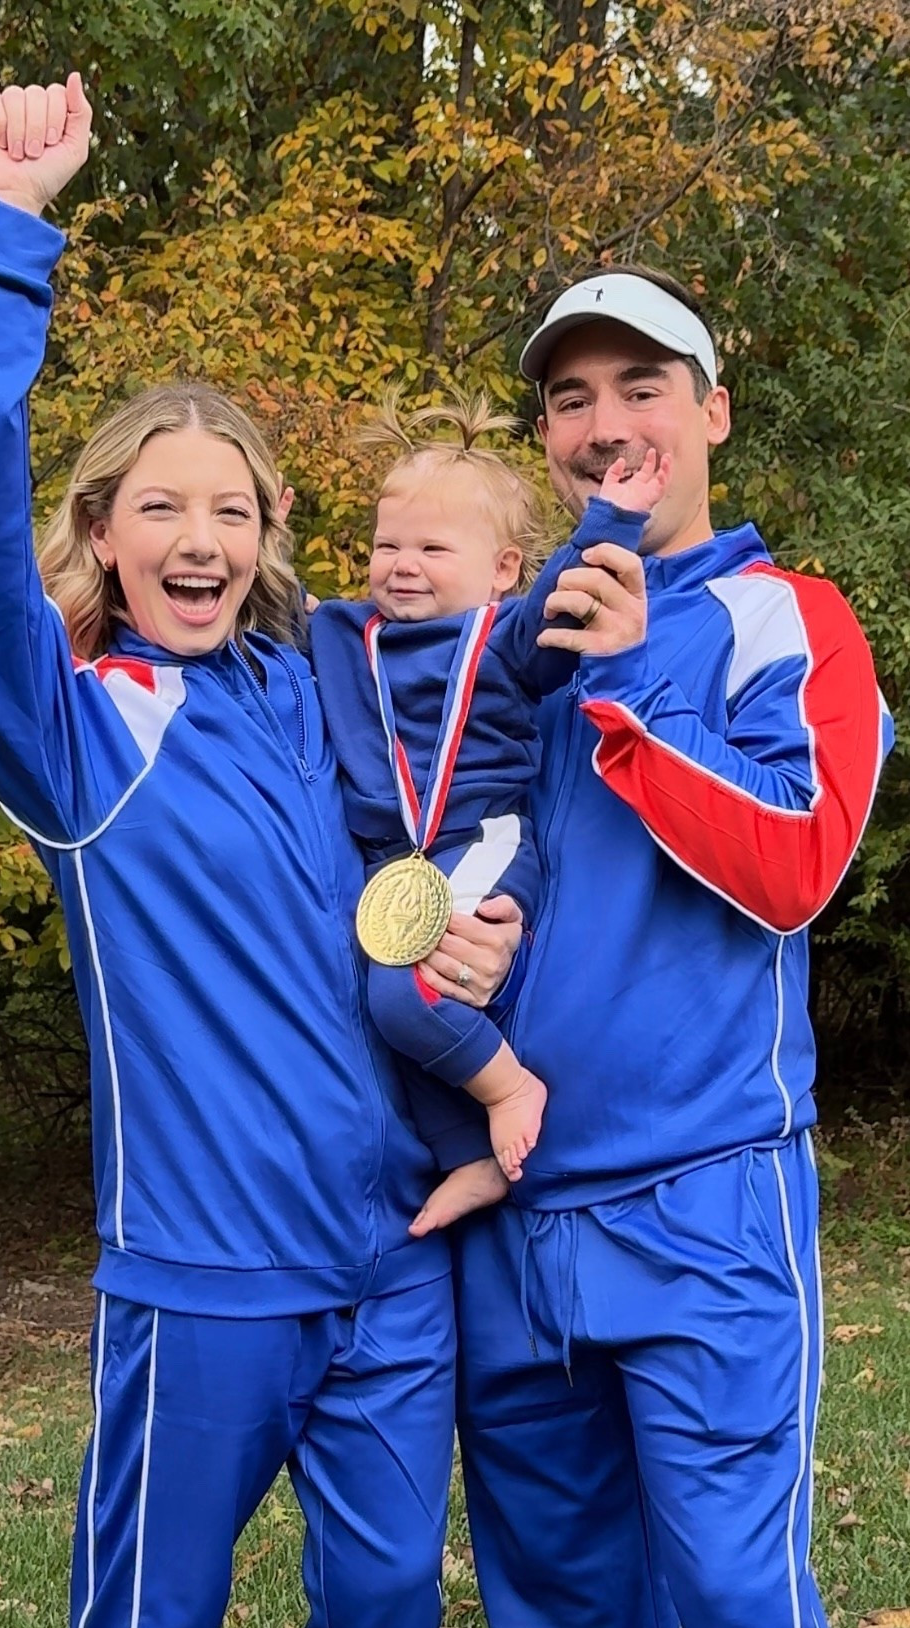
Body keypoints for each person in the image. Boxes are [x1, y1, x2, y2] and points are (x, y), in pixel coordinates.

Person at [0, 74, 514, 1628]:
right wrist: (7, 230)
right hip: (202, 1280)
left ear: (266, 545)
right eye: (161, 506)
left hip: (386, 1256)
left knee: (392, 1594)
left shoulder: (318, 699)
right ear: (106, 532)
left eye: (233, 509)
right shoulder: (82, 735)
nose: (200, 536)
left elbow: (463, 776)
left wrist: (484, 946)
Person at [453, 267, 894, 1628]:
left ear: (709, 411)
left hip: (705, 1198)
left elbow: (794, 861)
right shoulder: (511, 640)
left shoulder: (787, 618)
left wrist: (635, 676)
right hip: (515, 1212)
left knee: (729, 1591)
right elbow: (458, 856)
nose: (601, 421)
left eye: (639, 385)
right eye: (568, 396)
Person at [309, 393, 665, 1223]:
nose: (403, 564)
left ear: (502, 569)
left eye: (433, 548)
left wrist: (612, 517)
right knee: (378, 1012)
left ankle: (511, 1091)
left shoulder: (502, 638)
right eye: (386, 544)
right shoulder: (339, 633)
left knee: (407, 996)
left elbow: (567, 596)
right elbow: (263, 605)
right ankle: (470, 1155)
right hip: (394, 866)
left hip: (481, 842)